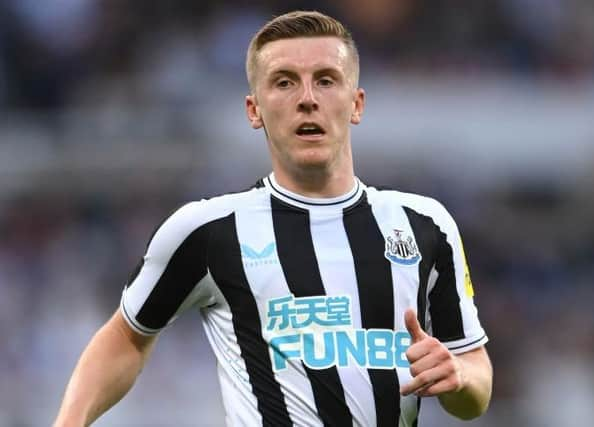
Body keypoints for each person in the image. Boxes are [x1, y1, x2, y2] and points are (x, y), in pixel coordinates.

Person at [54, 10, 492, 426]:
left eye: (326, 80)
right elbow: (127, 335)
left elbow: (475, 386)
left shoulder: (424, 224)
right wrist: (69, 420)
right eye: (284, 82)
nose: (307, 99)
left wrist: (457, 374)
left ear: (356, 104)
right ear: (254, 110)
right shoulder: (208, 231)